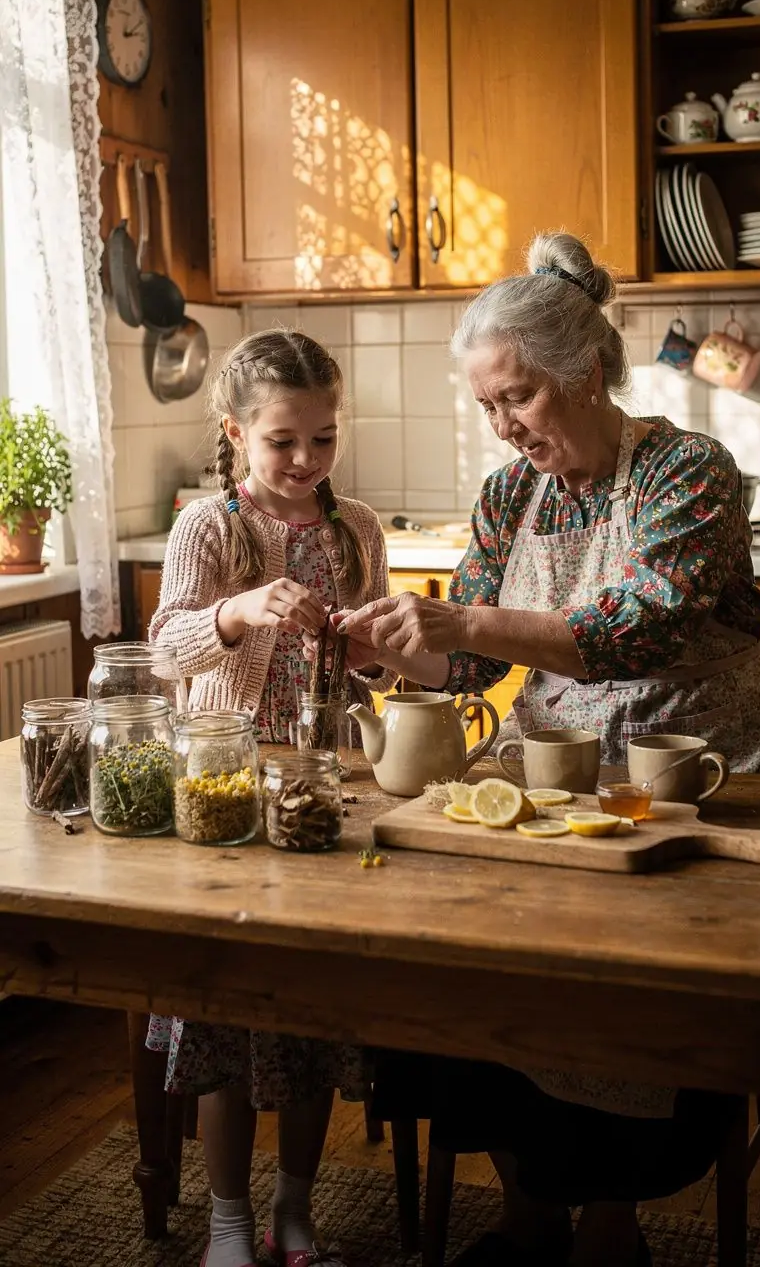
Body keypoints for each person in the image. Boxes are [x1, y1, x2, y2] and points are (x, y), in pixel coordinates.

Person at [337, 232, 760, 1267]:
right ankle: (530, 1207)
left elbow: (641, 629)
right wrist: (390, 653)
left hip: (690, 780)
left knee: (621, 982)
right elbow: (475, 670)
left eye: (520, 399)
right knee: (462, 958)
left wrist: (463, 627)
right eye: (488, 406)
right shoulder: (508, 497)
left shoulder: (690, 472)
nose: (503, 427)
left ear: (587, 373)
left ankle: (612, 1222)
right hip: (550, 784)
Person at [148, 329, 396, 1267]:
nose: (305, 461)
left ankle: (293, 1213)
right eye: (283, 441)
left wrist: (370, 646)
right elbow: (166, 645)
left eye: (323, 439)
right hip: (227, 798)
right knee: (222, 1014)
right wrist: (238, 612)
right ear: (236, 434)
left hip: (325, 792)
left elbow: (365, 665)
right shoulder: (210, 529)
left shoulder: (355, 529)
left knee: (311, 1014)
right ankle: (224, 1222)